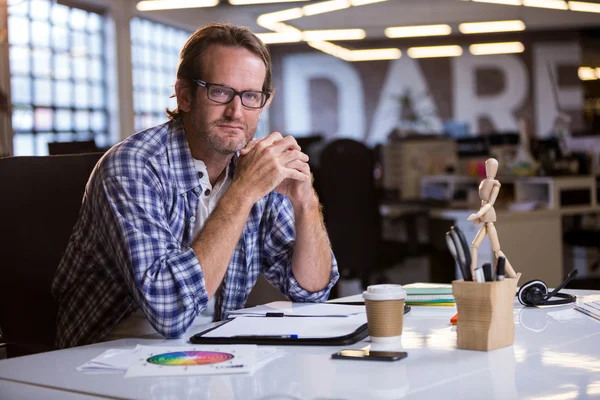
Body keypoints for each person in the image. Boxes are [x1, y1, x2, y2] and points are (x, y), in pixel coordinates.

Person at [52, 23, 339, 348]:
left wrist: (306, 203)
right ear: (185, 96)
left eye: (250, 96)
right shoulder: (133, 166)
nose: (236, 111)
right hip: (103, 358)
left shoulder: (253, 165)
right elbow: (171, 313)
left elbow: (312, 290)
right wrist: (242, 192)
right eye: (219, 91)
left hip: (207, 352)